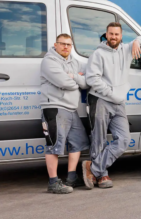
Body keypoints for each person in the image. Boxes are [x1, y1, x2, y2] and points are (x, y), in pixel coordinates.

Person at [82, 22, 141, 189]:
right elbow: (92, 79)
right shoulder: (98, 54)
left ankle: (93, 168)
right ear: (106, 34)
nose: (113, 37)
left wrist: (137, 42)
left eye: (117, 34)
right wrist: (111, 93)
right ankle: (102, 175)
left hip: (118, 102)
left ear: (121, 35)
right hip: (100, 99)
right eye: (111, 34)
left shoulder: (126, 49)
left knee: (124, 139)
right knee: (99, 139)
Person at [40, 33, 89, 194]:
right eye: (62, 44)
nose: (66, 47)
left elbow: (86, 80)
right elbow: (64, 82)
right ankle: (53, 182)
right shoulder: (49, 61)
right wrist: (77, 81)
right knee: (54, 145)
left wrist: (75, 78)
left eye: (69, 44)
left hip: (71, 109)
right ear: (56, 45)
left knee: (78, 141)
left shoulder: (74, 62)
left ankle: (72, 177)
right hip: (54, 107)